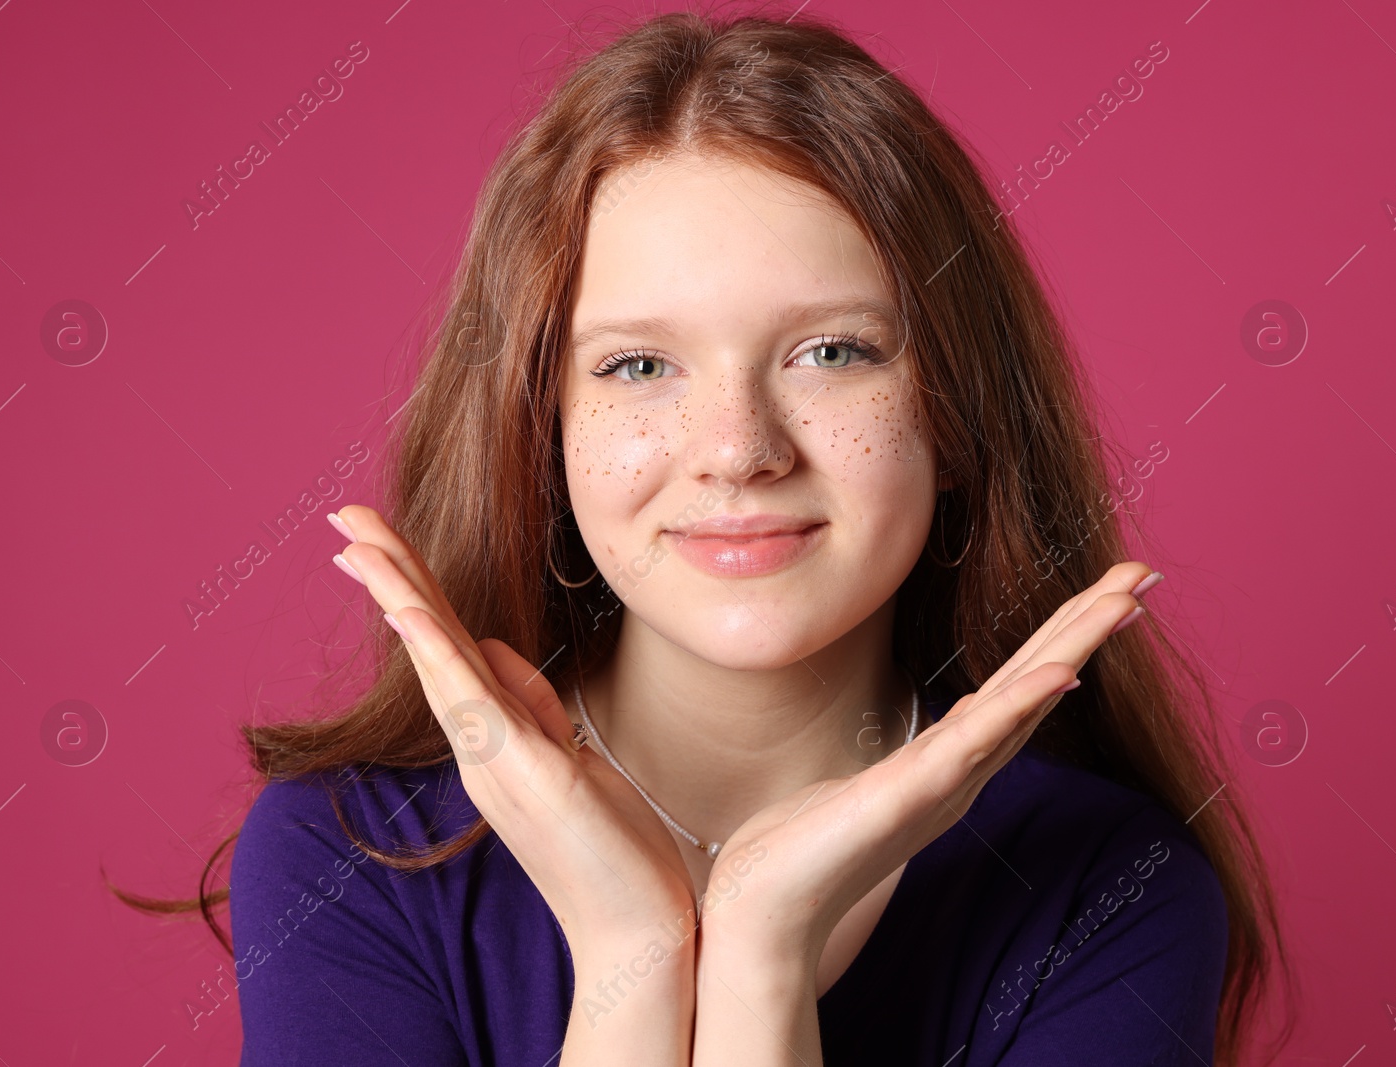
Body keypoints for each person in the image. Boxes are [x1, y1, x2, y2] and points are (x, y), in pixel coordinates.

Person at [141, 9, 1292, 1066]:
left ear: (958, 407)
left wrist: (759, 955)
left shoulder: (1108, 885)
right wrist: (628, 959)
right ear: (540, 425)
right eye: (638, 365)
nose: (738, 448)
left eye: (833, 351)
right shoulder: (351, 856)